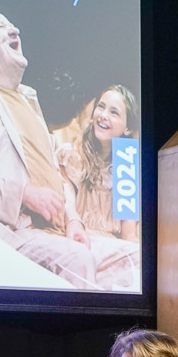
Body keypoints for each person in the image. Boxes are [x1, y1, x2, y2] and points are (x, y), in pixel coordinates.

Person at [0, 12, 135, 291]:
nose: (14, 29)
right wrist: (23, 194)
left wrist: (73, 220)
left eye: (12, 25)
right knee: (77, 259)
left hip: (54, 230)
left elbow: (54, 175)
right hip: (15, 231)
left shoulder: (26, 99)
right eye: (0, 27)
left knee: (133, 258)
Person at [53, 85, 145, 287]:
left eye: (114, 112)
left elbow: (128, 234)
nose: (103, 115)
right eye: (101, 107)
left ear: (128, 128)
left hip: (111, 249)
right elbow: (67, 206)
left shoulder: (128, 166)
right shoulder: (72, 154)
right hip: (75, 240)